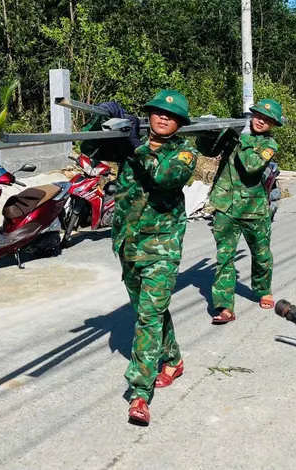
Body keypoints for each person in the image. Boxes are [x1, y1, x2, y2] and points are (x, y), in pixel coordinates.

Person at [107, 90, 198, 427]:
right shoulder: (129, 143)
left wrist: (136, 146)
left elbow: (162, 178)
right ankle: (172, 359)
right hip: (128, 243)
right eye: (158, 112)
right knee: (151, 311)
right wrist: (102, 118)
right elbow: (91, 147)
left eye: (171, 115)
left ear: (179, 123)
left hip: (162, 246)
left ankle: (140, 394)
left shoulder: (186, 154)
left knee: (147, 316)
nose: (163, 117)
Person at [197, 99, 283, 323]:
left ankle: (263, 288)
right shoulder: (236, 135)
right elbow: (207, 150)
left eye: (267, 119)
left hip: (254, 209)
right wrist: (210, 131)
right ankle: (225, 307)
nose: (260, 121)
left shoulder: (269, 145)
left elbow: (251, 165)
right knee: (224, 257)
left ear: (273, 124)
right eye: (257, 116)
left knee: (261, 255)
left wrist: (243, 137)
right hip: (226, 205)